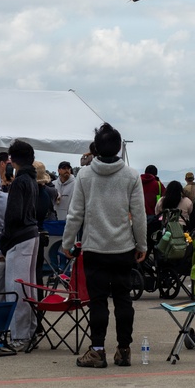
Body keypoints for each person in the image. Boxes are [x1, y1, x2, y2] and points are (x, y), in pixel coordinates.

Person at [62, 123, 146, 368]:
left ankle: (97, 350)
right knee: (123, 300)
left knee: (97, 301)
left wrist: (67, 242)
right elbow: (138, 215)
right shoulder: (131, 175)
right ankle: (124, 350)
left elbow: (75, 214)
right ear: (119, 148)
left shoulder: (85, 176)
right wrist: (141, 244)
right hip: (123, 248)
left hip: (94, 249)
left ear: (96, 148)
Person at [0, 140, 40, 351]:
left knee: (16, 288)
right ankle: (30, 331)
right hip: (32, 235)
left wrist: (3, 242)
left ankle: (19, 336)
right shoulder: (32, 179)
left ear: (12, 160)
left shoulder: (19, 182)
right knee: (29, 288)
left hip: (19, 237)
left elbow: (12, 215)